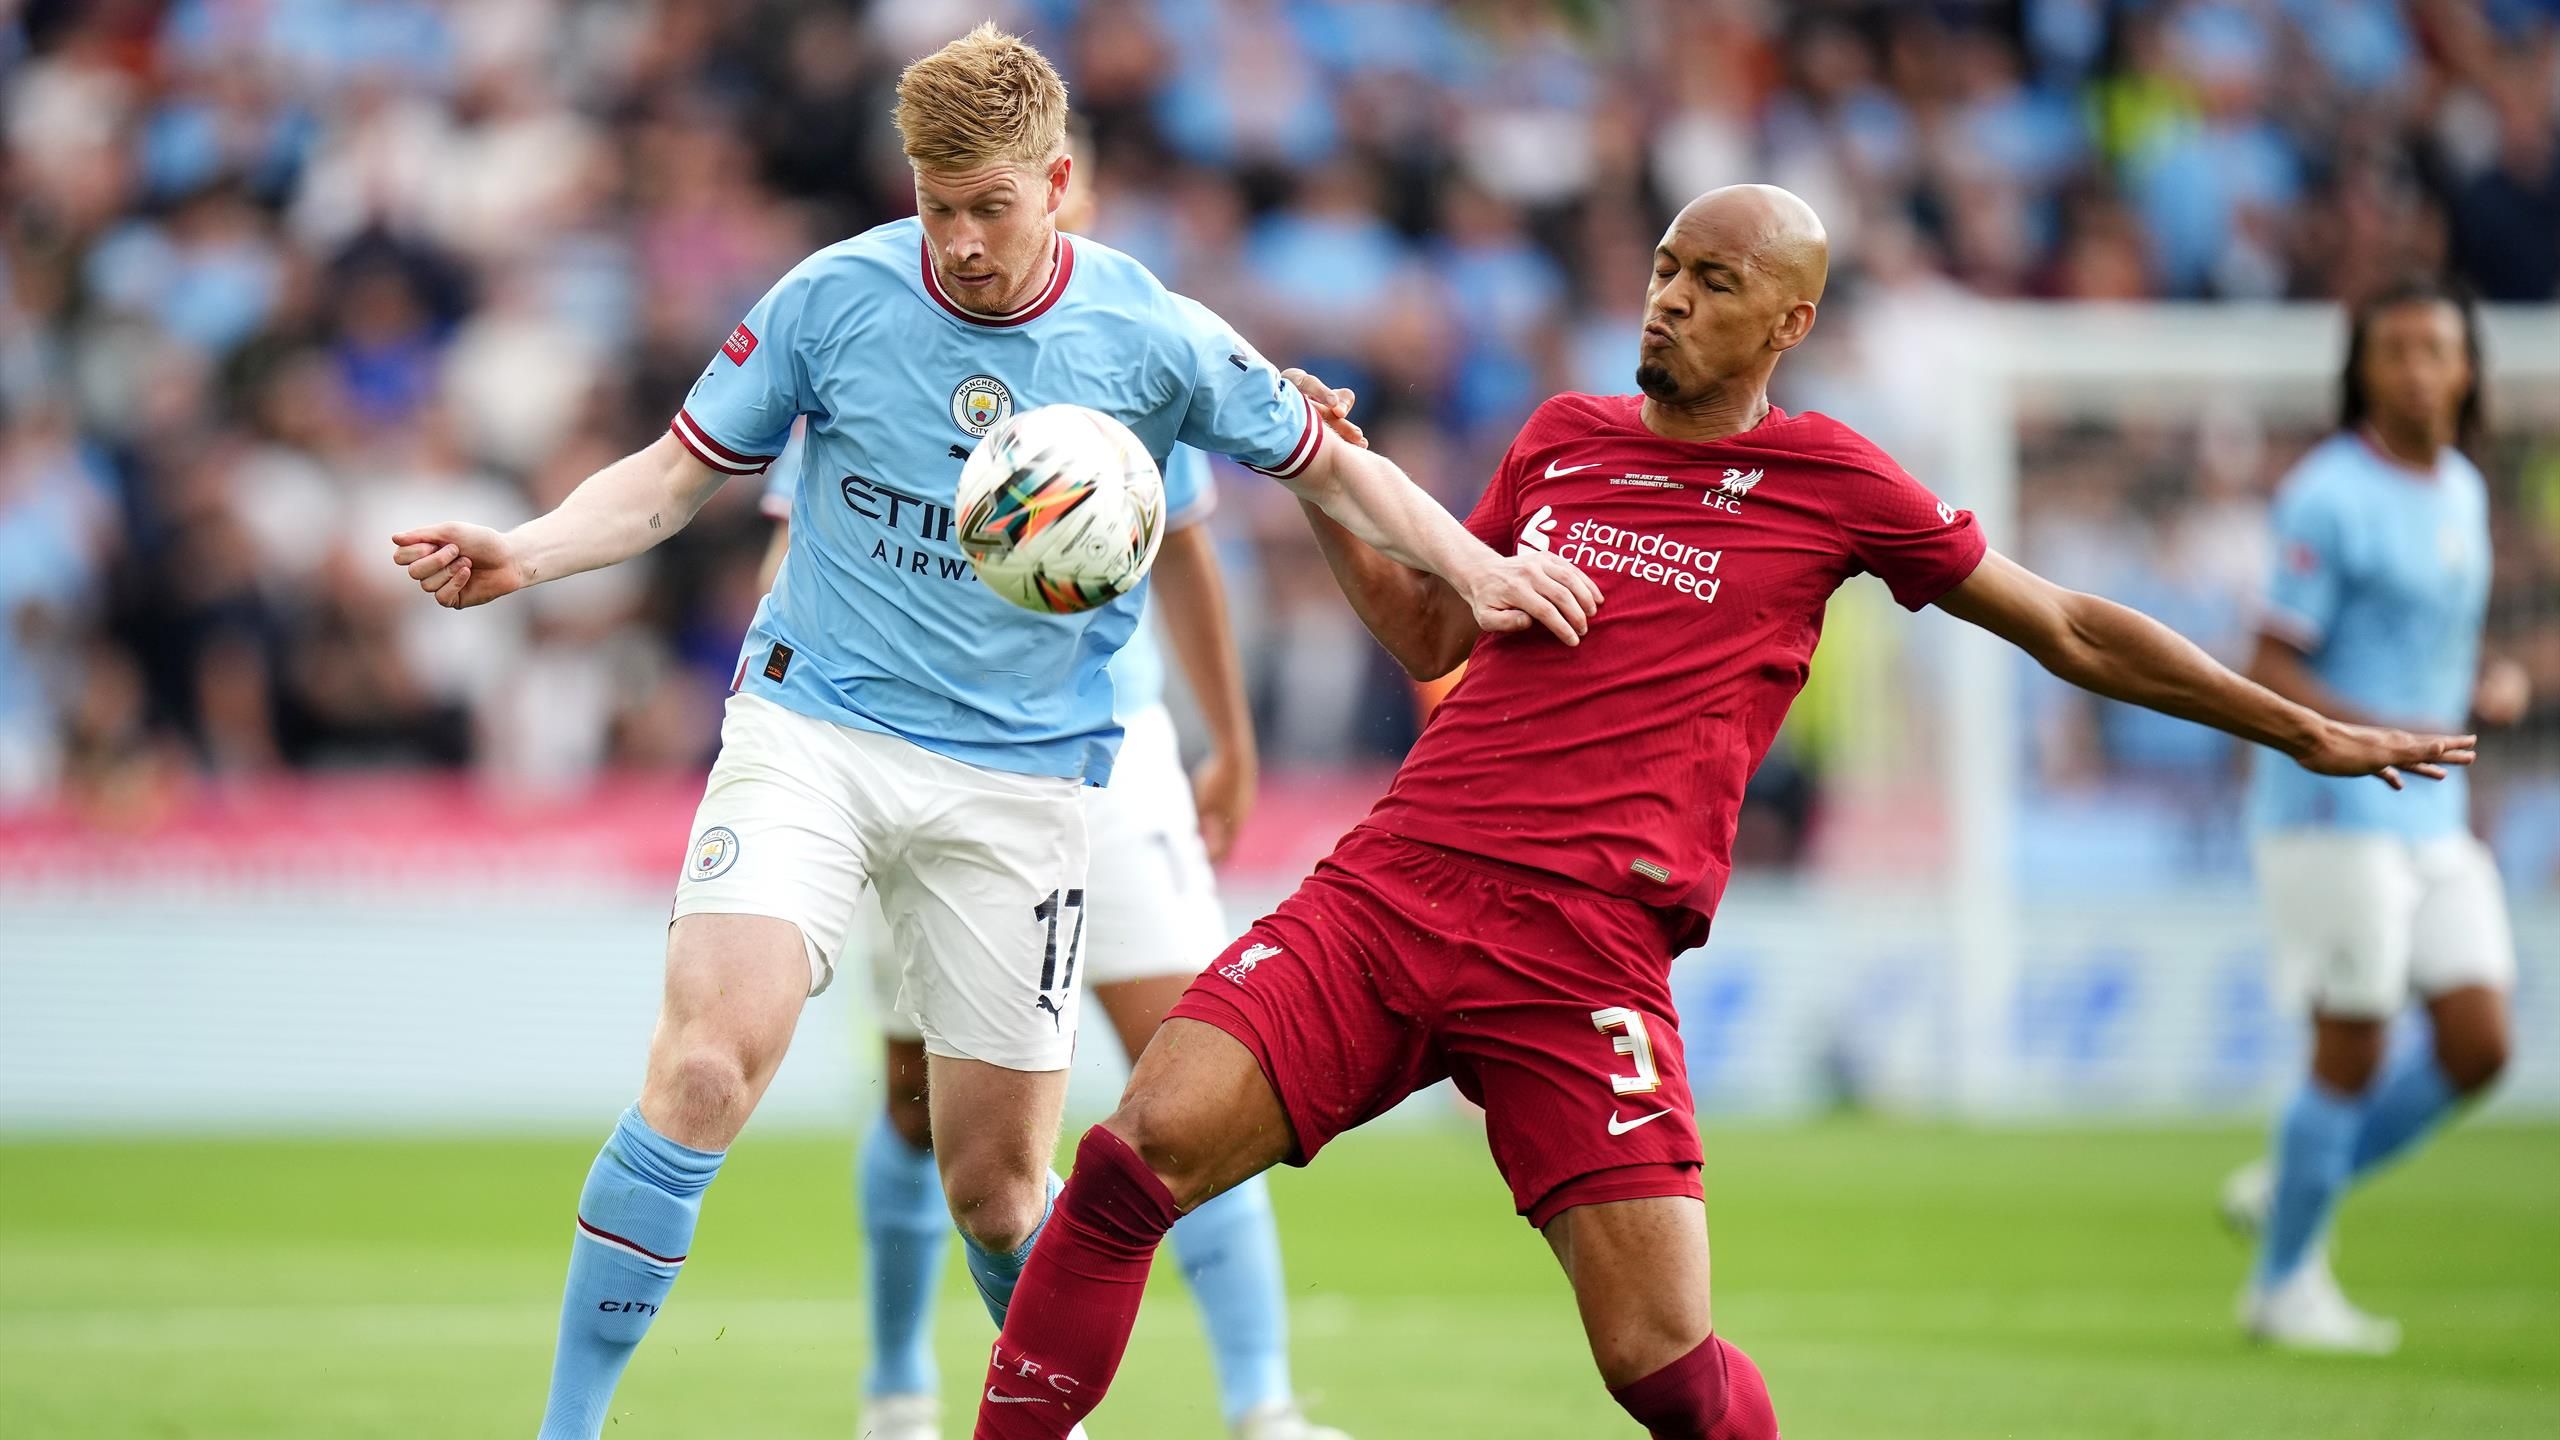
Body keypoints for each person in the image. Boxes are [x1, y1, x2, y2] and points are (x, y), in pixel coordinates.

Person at [963, 185, 2477, 1440]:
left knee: (1664, 1371)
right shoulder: (1562, 436)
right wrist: (1332, 488)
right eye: (1665, 271)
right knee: (1130, 1161)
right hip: (1396, 888)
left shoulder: (1832, 482)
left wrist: (2296, 725)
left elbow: (2068, 626)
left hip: (1583, 953)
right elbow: (1431, 634)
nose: (1670, 300)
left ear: (1788, 322)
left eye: (1713, 282)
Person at [387, 26, 1590, 1439]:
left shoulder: (1153, 335)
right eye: (934, 204)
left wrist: (1478, 571)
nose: (957, 241)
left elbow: (1337, 471)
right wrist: (525, 552)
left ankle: (1122, 1411)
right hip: (813, 734)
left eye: (989, 208)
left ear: (1056, 183)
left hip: (1021, 787)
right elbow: (667, 480)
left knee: (1003, 1197)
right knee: (705, 1068)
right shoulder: (832, 298)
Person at [756, 449, 1343, 1439]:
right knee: (918, 1103)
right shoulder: (856, 355)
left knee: (1202, 1079)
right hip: (918, 751)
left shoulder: (1137, 365)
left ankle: (1263, 1407)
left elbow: (1182, 544)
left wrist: (1232, 741)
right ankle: (897, 1393)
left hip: (1109, 744)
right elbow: (795, 548)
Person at [2218, 276, 2523, 1354]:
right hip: (2332, 808)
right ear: (2362, 370)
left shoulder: (2461, 490)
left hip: (2434, 815)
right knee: (2350, 1043)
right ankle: (2282, 1285)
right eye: (2393, 351)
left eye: (2434, 349)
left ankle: (2299, 1180)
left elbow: (2419, 649)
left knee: (2480, 1045)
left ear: (2467, 367)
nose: (2415, 371)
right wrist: (2376, 733)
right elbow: (2269, 662)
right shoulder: (2327, 494)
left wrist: (2485, 684)